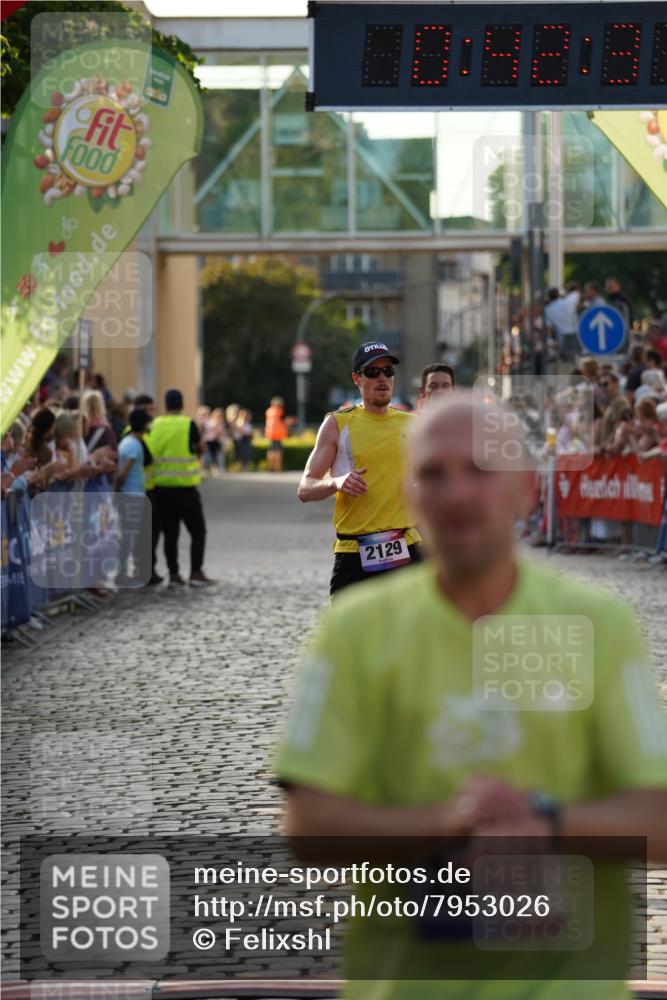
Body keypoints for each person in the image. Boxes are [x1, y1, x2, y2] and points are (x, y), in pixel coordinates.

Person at [276, 391, 667, 998]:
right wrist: (447, 825)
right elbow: (308, 824)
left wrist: (547, 825)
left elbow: (659, 816)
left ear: (528, 491)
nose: (457, 493)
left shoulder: (599, 624)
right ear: (410, 493)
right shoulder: (352, 629)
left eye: (482, 469)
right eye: (433, 473)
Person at [297, 341, 422, 596]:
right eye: (373, 372)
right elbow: (305, 488)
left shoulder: (414, 424)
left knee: (411, 634)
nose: (382, 378)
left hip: (405, 546)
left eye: (388, 371)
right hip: (355, 553)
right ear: (357, 378)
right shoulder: (337, 424)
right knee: (353, 635)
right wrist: (337, 482)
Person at [147, 389, 214, 588]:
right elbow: (200, 447)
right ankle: (195, 572)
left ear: (166, 404)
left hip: (160, 487)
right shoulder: (187, 424)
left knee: (170, 533)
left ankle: (174, 574)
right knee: (198, 530)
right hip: (185, 488)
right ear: (182, 404)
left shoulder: (155, 424)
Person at [115, 408, 153, 588]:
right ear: (145, 424)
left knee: (127, 535)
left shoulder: (128, 442)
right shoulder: (134, 445)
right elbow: (123, 473)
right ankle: (121, 574)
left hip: (131, 494)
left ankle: (122, 572)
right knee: (127, 537)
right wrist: (116, 491)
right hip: (131, 495)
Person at [544, 282, 580, 360]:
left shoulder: (548, 309)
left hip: (563, 337)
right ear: (558, 294)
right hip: (576, 333)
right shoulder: (567, 302)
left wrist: (550, 339)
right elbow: (577, 294)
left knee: (566, 360)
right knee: (578, 357)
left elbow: (549, 328)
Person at [265, 396, 288, 472]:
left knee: (271, 451)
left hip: (270, 434)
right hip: (278, 435)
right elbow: (284, 421)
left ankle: (270, 467)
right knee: (278, 452)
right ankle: (278, 468)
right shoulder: (280, 412)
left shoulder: (268, 411)